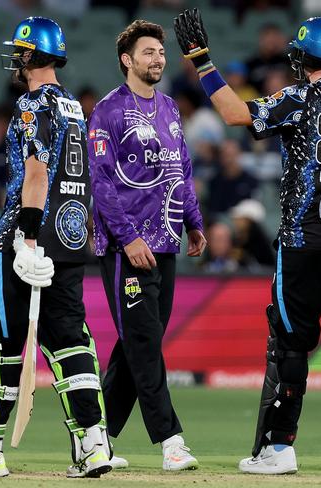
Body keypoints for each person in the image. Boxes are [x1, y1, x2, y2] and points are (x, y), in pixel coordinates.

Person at [174, 11, 321, 476]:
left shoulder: (299, 98)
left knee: (289, 343)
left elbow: (233, 113)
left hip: (305, 244)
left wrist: (202, 61)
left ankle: (279, 449)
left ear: (302, 59)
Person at [0, 17, 112, 478]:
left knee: (3, 347)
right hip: (72, 234)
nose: (15, 59)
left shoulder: (31, 105)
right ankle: (94, 444)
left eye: (20, 52)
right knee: (72, 340)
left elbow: (36, 173)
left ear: (31, 57)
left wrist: (27, 235)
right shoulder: (74, 105)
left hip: (27, 235)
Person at [87, 19, 206, 472]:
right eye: (149, 52)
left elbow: (182, 171)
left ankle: (98, 440)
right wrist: (129, 237)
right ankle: (171, 441)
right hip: (126, 250)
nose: (158, 59)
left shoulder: (171, 108)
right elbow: (101, 184)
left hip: (168, 242)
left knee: (138, 345)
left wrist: (193, 222)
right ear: (127, 60)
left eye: (161, 52)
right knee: (143, 345)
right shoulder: (108, 112)